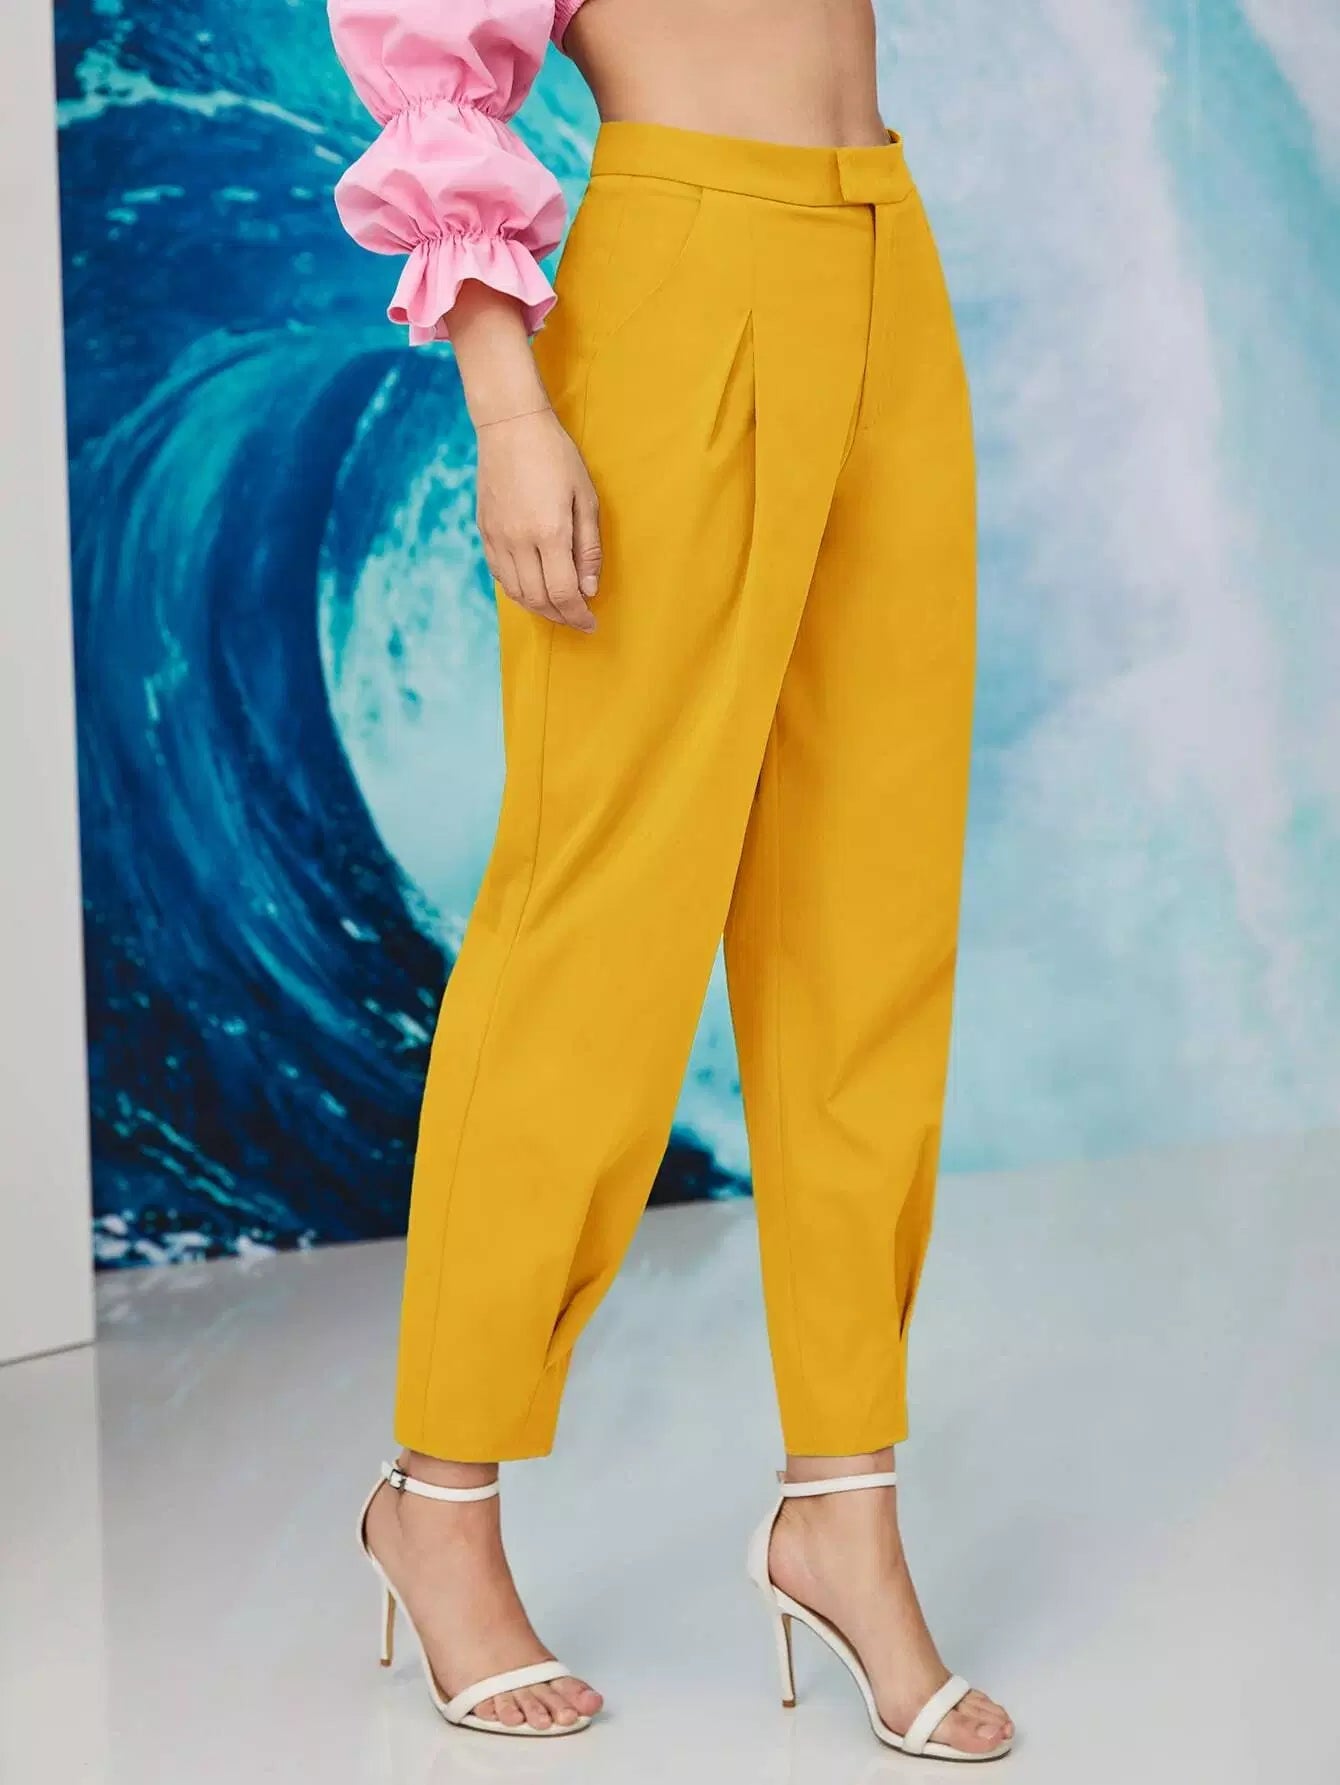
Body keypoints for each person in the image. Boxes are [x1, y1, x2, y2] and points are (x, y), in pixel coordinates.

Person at [327, 0, 1013, 1758]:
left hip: (887, 256)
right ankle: (439, 1502)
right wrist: (508, 407)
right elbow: (434, 66)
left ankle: (843, 1514)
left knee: (868, 930)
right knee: (596, 929)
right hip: (680, 272)